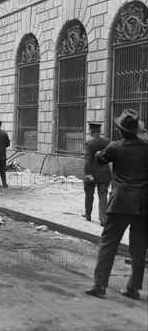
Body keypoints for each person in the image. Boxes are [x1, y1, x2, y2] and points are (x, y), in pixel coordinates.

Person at [85, 109, 148, 300]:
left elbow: (100, 159)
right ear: (137, 130)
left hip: (121, 202)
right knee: (139, 249)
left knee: (109, 243)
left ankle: (100, 285)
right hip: (144, 204)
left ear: (120, 130)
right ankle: (133, 289)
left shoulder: (115, 147)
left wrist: (99, 152)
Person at [83, 122, 111, 225]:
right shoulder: (107, 141)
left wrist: (87, 174)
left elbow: (88, 160)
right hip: (104, 173)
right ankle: (103, 218)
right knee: (103, 195)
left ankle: (88, 214)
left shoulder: (89, 143)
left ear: (90, 131)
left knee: (89, 194)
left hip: (92, 173)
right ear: (99, 131)